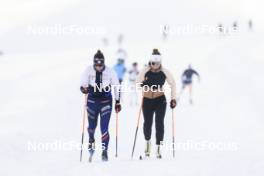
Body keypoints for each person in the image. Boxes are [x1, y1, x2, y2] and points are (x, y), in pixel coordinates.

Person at [80, 50, 121, 162]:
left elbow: (117, 86)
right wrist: (84, 89)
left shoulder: (110, 72)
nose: (99, 67)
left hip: (105, 102)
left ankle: (104, 151)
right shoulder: (88, 70)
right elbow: (83, 83)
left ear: (103, 63)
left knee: (104, 128)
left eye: (101, 64)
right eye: (96, 65)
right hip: (92, 102)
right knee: (92, 127)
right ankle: (91, 139)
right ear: (94, 63)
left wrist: (118, 101)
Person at [136, 49, 177, 159]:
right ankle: (148, 144)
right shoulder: (145, 70)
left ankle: (158, 147)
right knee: (147, 123)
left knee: (159, 123)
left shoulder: (164, 71)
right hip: (147, 100)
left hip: (160, 100)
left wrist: (173, 99)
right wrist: (142, 84)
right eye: (154, 63)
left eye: (158, 63)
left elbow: (173, 84)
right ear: (150, 62)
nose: (155, 66)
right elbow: (137, 82)